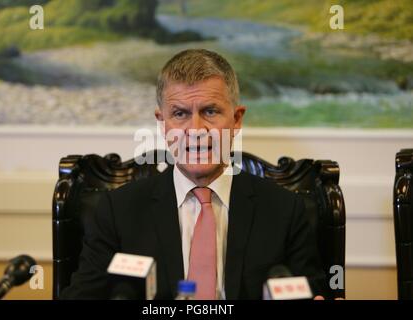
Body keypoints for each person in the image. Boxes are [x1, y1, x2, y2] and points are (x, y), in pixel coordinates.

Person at [60, 49, 328, 300]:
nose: (196, 130)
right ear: (162, 124)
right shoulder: (118, 211)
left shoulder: (285, 210)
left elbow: (310, 292)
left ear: (236, 120)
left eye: (210, 111)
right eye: (180, 114)